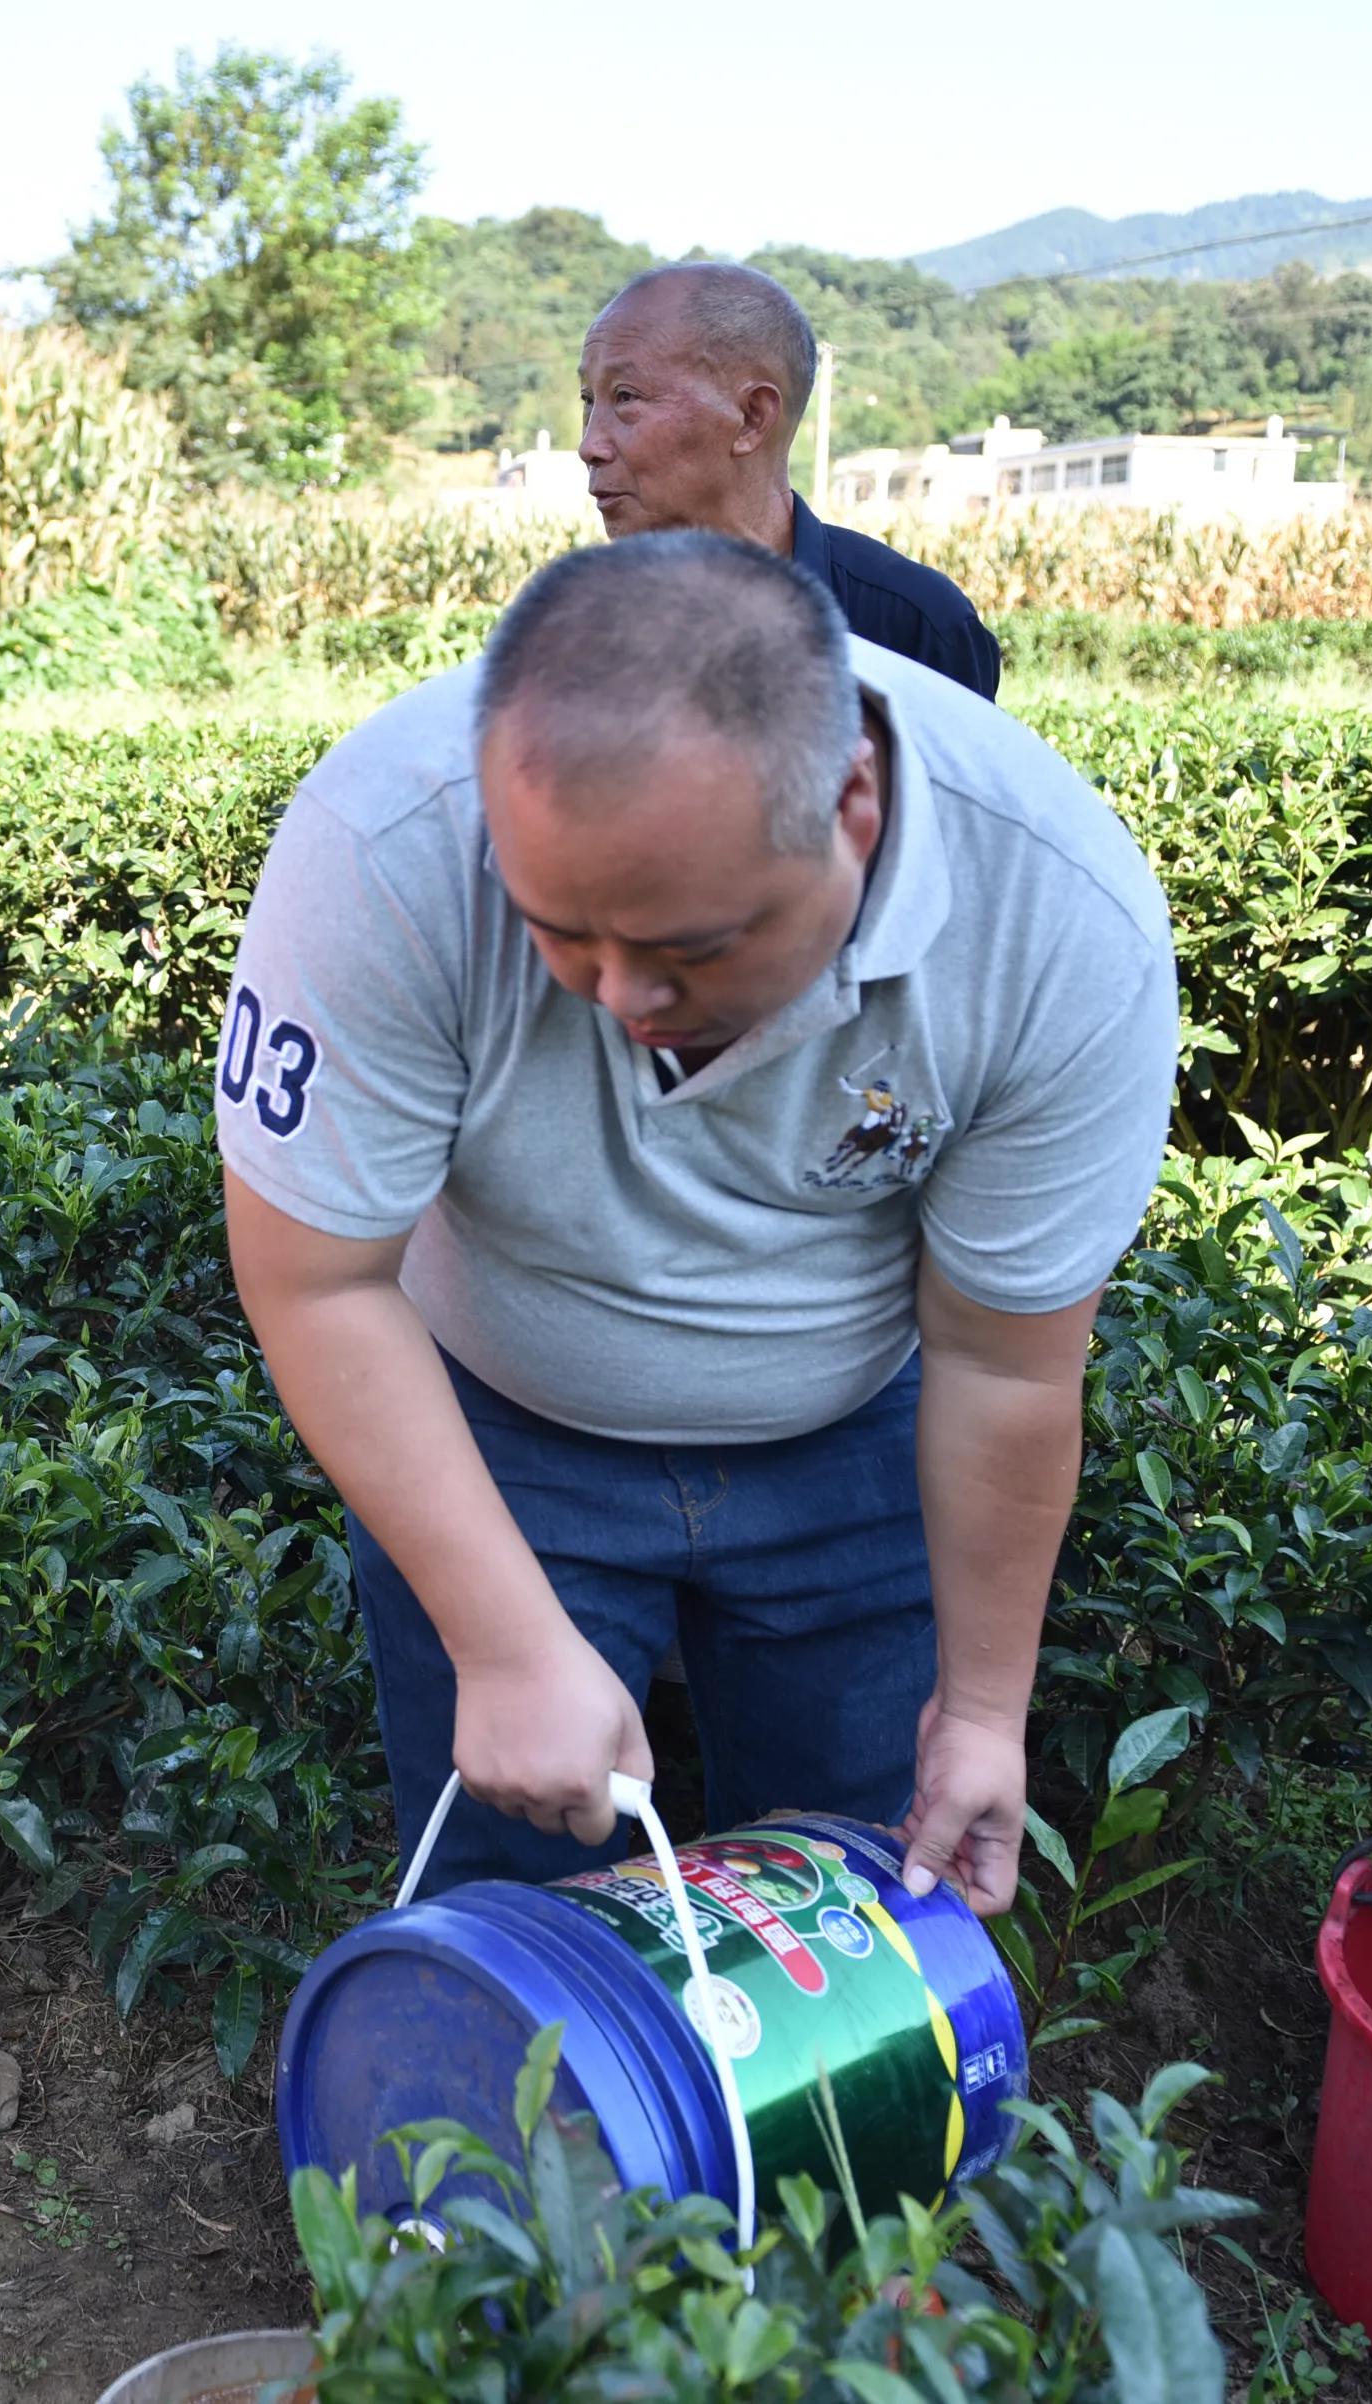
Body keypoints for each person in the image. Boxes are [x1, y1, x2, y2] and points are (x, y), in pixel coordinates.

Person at [215, 532, 1176, 1914]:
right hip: (496, 1432)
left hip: (851, 1444)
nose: (621, 998)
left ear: (852, 805)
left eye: (695, 948)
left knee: (852, 1904)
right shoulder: (386, 840)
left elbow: (1002, 1360)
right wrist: (500, 1645)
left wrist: (979, 1712)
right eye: (562, 934)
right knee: (517, 1903)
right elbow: (317, 1282)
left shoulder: (1054, 918)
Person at [577, 263, 1003, 699]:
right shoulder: (579, 637)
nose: (589, 445)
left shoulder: (914, 629)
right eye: (588, 400)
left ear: (751, 419)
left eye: (625, 396)